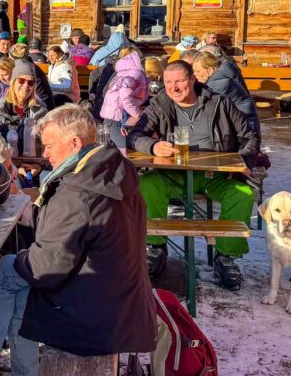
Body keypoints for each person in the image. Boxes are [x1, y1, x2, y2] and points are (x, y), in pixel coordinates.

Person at [0, 105, 156, 375]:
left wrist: (22, 254)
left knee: (11, 276)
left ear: (74, 143)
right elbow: (83, 231)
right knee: (18, 283)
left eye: (48, 145)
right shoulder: (112, 171)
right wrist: (36, 218)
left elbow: (45, 269)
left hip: (93, 317)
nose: (44, 154)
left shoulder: (77, 191)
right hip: (120, 303)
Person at [126, 60, 260, 289]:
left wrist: (243, 161)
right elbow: (135, 135)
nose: (174, 88)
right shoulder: (161, 103)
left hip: (214, 174)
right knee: (146, 184)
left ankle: (226, 256)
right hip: (175, 174)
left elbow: (250, 137)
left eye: (179, 81)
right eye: (168, 82)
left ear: (192, 80)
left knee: (243, 194)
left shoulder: (219, 103)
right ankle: (155, 247)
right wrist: (153, 146)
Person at [193, 51, 260, 134]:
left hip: (245, 128)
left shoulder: (218, 83)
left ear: (210, 70)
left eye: (198, 71)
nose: (194, 74)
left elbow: (202, 107)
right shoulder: (222, 76)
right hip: (242, 124)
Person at [0, 60, 48, 159]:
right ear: (13, 82)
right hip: (8, 162)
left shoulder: (40, 109)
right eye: (21, 81)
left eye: (31, 82)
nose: (26, 86)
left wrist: (38, 166)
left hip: (32, 162)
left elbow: (44, 143)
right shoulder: (1, 107)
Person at [99, 47, 148, 149]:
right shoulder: (135, 73)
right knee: (120, 149)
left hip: (110, 112)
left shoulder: (122, 72)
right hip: (118, 114)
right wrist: (137, 113)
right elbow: (125, 95)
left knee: (109, 147)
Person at [9, 42, 55, 110]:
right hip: (44, 103)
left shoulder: (25, 70)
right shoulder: (30, 66)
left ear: (13, 58)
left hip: (42, 107)